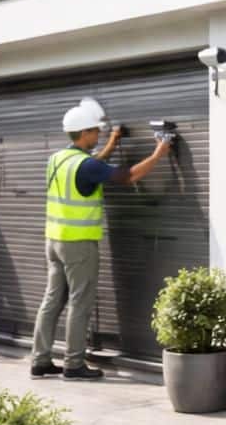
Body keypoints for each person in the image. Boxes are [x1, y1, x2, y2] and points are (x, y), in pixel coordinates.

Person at [31, 99, 170, 379]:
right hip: (78, 243)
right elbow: (127, 176)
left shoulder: (58, 159)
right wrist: (159, 153)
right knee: (81, 302)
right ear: (83, 134)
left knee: (52, 300)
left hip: (54, 241)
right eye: (95, 131)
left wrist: (113, 141)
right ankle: (73, 364)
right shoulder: (85, 165)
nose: (98, 135)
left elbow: (92, 167)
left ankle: (40, 360)